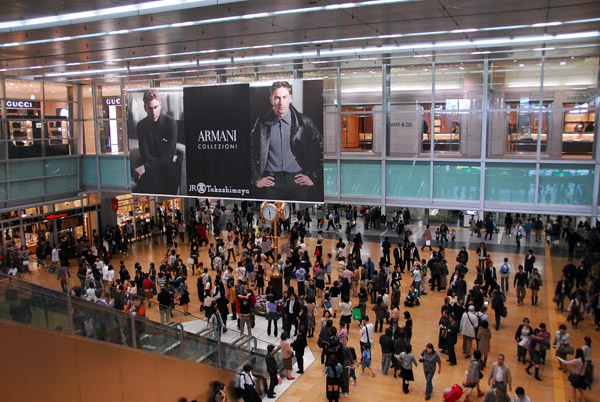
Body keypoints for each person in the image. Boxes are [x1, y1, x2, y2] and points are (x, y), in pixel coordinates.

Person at [250, 81, 323, 201]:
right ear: (271, 100)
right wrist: (257, 179)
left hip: (298, 182)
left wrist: (313, 176)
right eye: (277, 98)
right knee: (270, 218)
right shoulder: (261, 123)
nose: (281, 102)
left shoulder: (305, 122)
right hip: (271, 183)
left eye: (284, 97)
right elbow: (250, 151)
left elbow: (322, 149)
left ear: (290, 98)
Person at [132, 89, 179, 194]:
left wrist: (145, 167)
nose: (153, 112)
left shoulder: (171, 123)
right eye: (150, 108)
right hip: (150, 167)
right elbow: (145, 155)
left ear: (160, 105)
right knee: (150, 178)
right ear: (145, 108)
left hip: (165, 167)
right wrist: (147, 166)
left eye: (156, 107)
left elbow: (168, 157)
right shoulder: (141, 126)